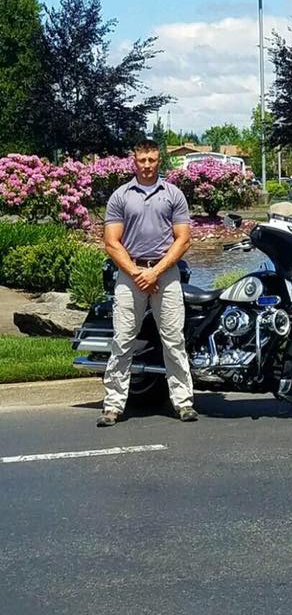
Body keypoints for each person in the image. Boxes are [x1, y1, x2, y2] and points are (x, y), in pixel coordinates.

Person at [97, 139, 198, 426]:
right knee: (123, 340)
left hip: (165, 275)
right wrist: (138, 273)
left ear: (159, 161)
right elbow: (111, 243)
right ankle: (113, 406)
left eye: (152, 160)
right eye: (142, 160)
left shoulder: (173, 194)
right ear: (134, 161)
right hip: (130, 275)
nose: (147, 165)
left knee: (174, 340)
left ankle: (183, 402)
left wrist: (155, 272)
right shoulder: (120, 196)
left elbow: (183, 239)